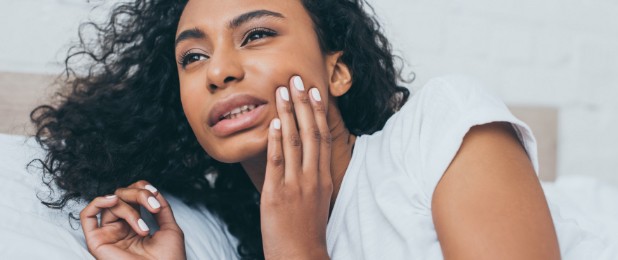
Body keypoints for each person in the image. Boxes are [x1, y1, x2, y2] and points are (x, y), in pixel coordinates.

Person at [30, 0, 561, 259]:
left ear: (337, 70)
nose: (218, 71)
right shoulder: (247, 244)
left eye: (257, 34)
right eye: (193, 56)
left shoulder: (441, 129)